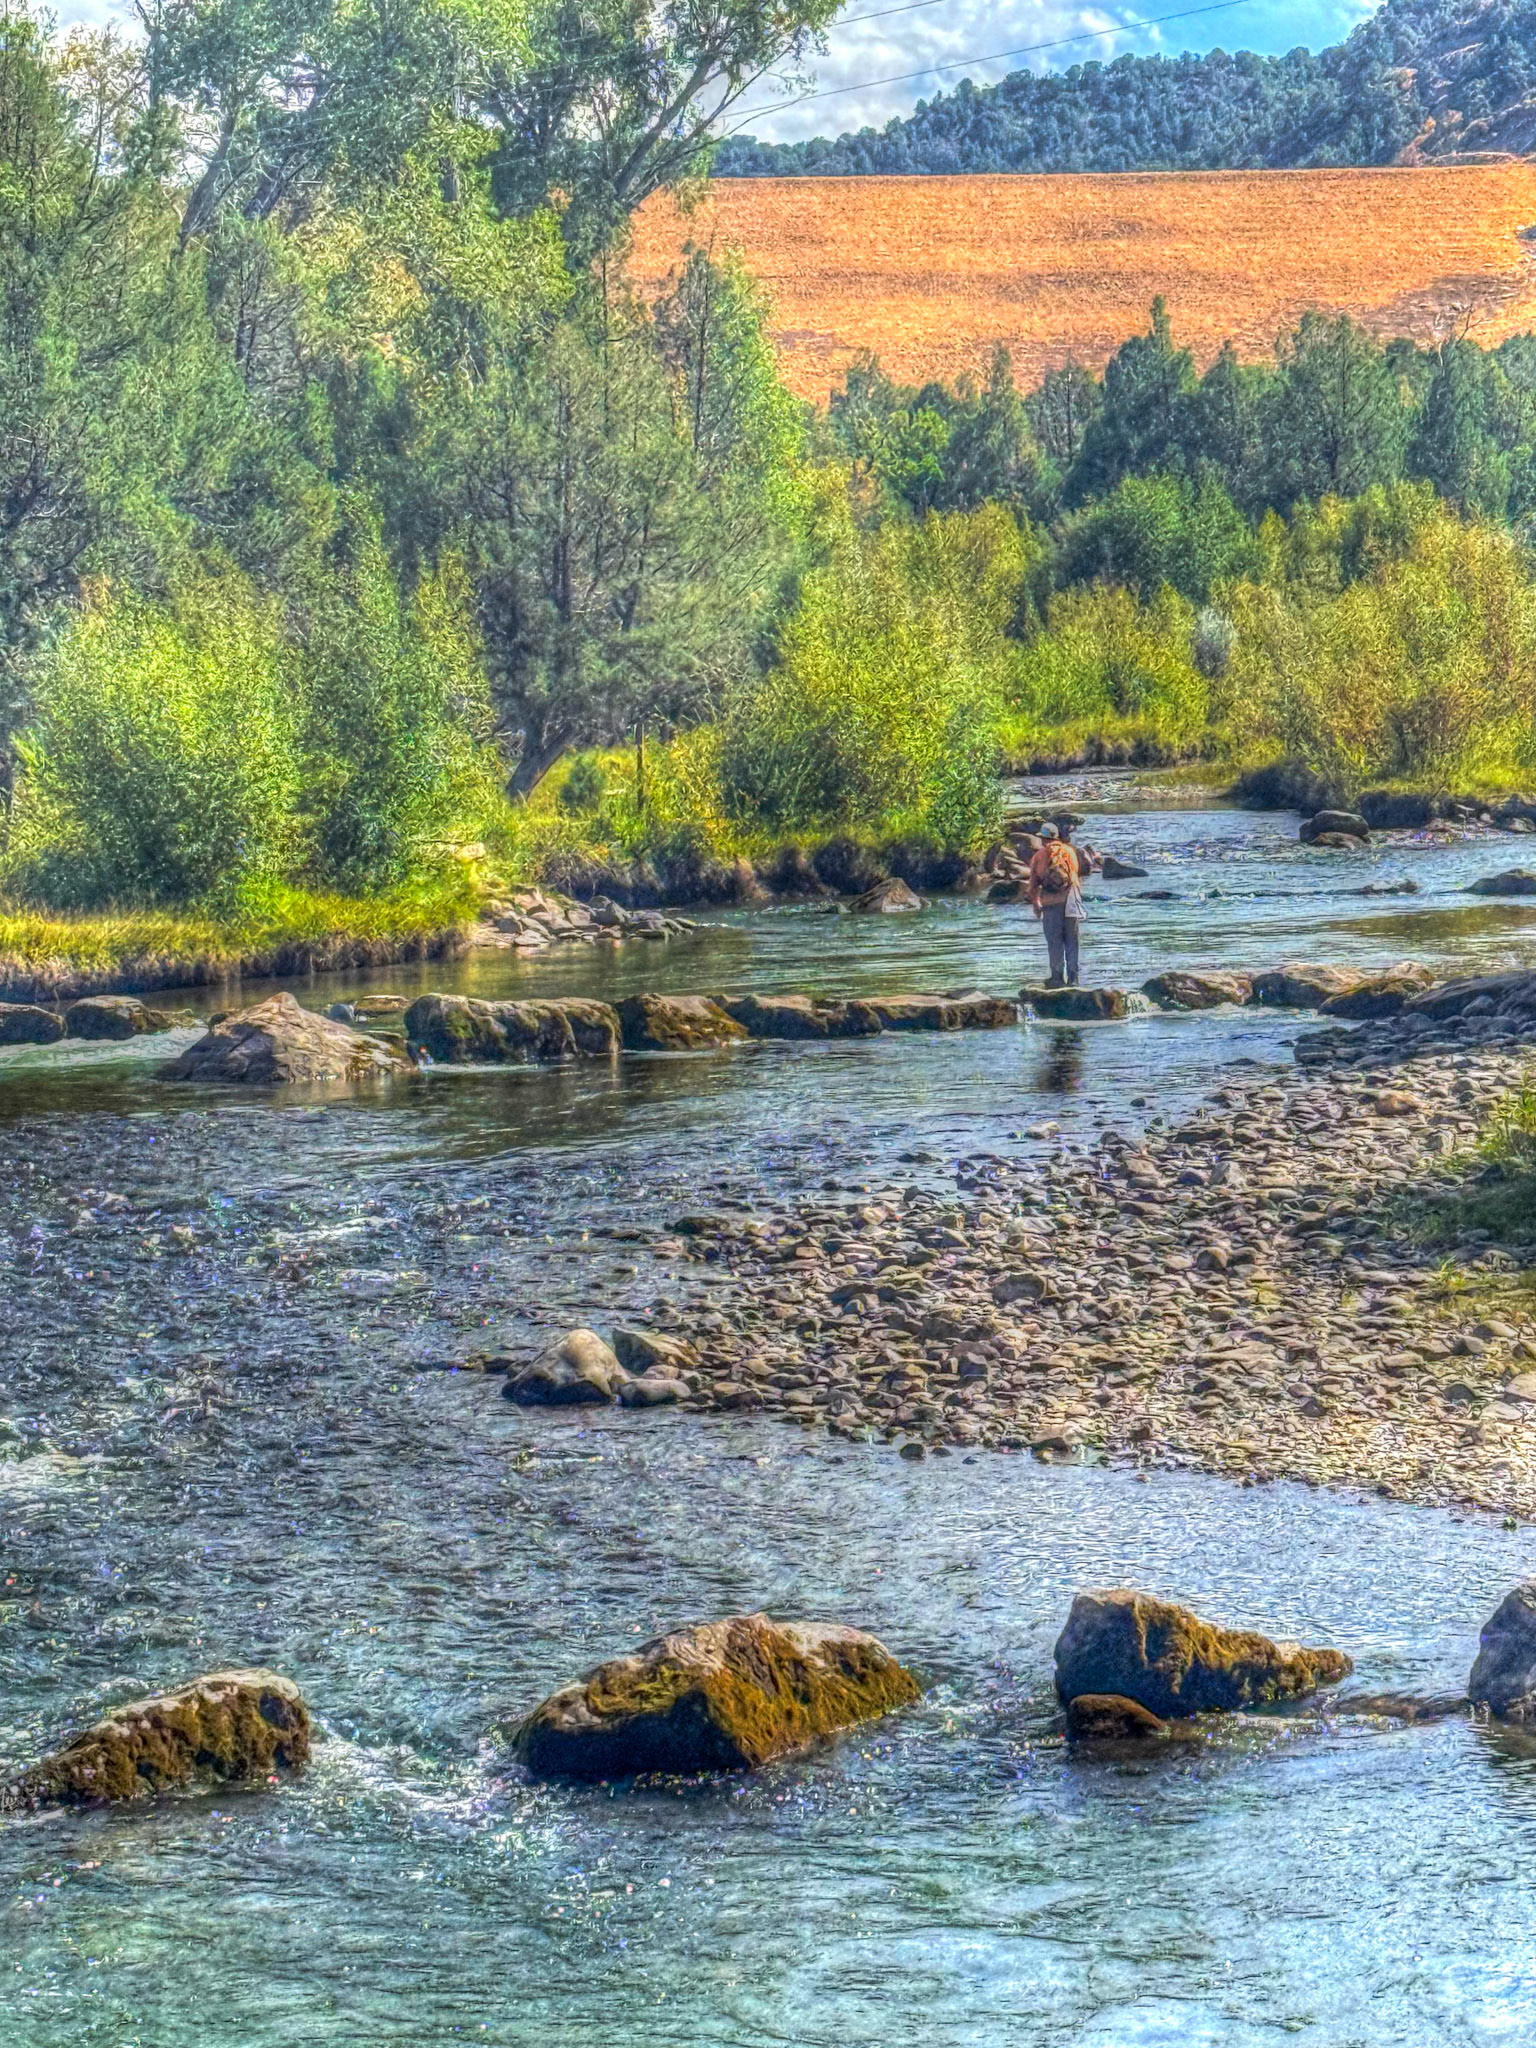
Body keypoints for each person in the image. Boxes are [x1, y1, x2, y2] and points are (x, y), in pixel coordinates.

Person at [1025, 821, 1097, 987]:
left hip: (1051, 903)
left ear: (1043, 839)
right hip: (1072, 900)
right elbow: (1076, 875)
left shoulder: (1040, 855)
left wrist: (1035, 902)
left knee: (1054, 941)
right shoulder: (1070, 851)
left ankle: (1056, 978)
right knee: (1072, 940)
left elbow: (1033, 883)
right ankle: (1073, 979)